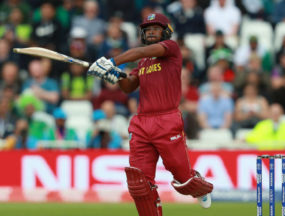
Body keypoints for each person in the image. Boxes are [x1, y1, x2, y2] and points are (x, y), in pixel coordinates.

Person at [87, 12, 213, 216]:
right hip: (141, 123)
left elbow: (138, 52)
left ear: (166, 32)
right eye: (147, 29)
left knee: (183, 180)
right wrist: (117, 75)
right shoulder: (143, 61)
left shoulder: (171, 49)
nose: (151, 32)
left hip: (167, 120)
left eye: (156, 28)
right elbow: (129, 87)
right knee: (139, 183)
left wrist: (112, 61)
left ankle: (201, 187)